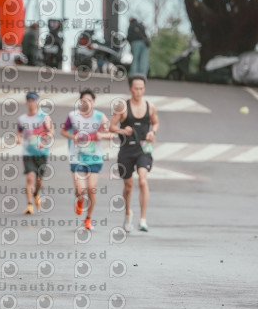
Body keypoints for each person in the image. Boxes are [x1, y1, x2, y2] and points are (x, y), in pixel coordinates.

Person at [109, 74, 159, 232]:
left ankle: (143, 219)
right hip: (126, 149)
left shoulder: (150, 107)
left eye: (141, 88)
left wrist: (152, 132)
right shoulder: (122, 107)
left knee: (143, 180)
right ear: (130, 89)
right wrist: (123, 130)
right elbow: (111, 127)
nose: (139, 91)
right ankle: (127, 213)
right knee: (128, 185)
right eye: (136, 88)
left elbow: (155, 122)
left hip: (144, 148)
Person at [61, 90, 115, 229]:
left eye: (90, 101)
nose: (87, 103)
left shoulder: (99, 116)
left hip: (94, 158)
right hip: (77, 157)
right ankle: (80, 199)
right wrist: (73, 137)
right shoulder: (72, 116)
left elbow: (112, 134)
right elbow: (63, 131)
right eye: (84, 100)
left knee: (91, 189)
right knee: (80, 190)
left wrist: (102, 136)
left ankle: (88, 219)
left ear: (94, 102)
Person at [16, 92, 54, 215]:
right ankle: (29, 205)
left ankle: (36, 194)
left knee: (39, 180)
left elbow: (51, 132)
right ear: (26, 102)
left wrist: (44, 140)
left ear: (37, 101)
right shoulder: (22, 119)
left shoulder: (44, 117)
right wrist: (18, 138)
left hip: (41, 153)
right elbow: (19, 131)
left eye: (33, 100)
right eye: (29, 100)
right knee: (30, 177)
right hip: (28, 153)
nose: (31, 102)